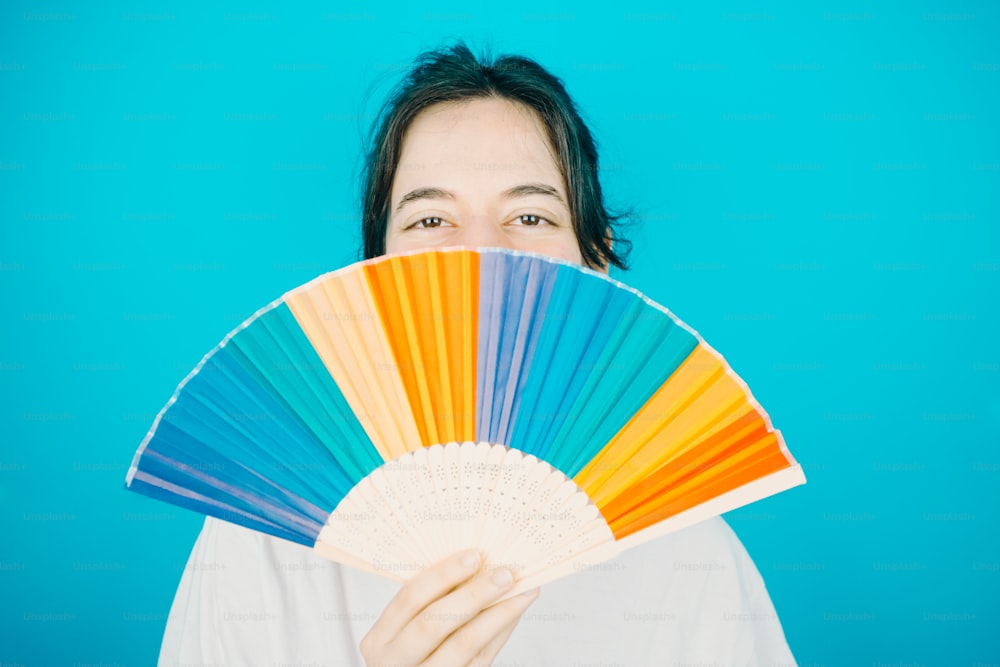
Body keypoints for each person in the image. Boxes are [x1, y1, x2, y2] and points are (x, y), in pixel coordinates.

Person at [158, 43, 797, 666]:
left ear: (595, 263)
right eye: (431, 222)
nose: (480, 257)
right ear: (377, 272)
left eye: (530, 217)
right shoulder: (264, 533)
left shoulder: (690, 557)